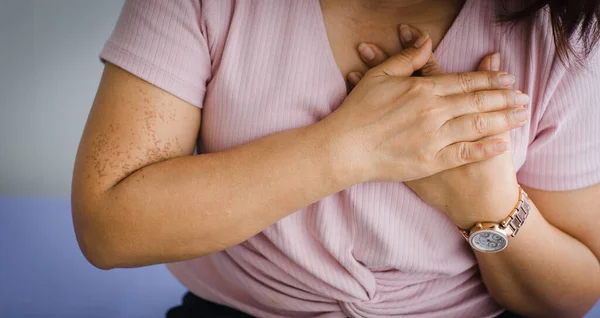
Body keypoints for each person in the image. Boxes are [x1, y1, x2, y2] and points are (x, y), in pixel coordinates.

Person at [71, 0, 600, 317]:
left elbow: (571, 297)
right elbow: (109, 226)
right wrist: (348, 149)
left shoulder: (566, 31)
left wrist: (488, 205)